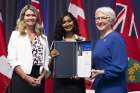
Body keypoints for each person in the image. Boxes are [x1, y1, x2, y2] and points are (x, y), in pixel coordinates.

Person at [7, 5, 50, 93]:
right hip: (21, 78)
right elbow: (11, 59)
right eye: (27, 15)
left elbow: (47, 60)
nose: (30, 17)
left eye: (33, 15)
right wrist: (26, 77)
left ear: (37, 17)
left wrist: (41, 77)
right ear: (23, 17)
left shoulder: (43, 38)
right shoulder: (15, 34)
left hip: (38, 79)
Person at [90, 7, 128, 93]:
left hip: (113, 88)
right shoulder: (99, 41)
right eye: (97, 18)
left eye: (103, 18)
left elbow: (120, 65)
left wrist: (103, 72)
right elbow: (97, 64)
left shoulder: (115, 38)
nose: (99, 21)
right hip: (100, 87)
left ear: (111, 20)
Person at [50, 12, 86, 93]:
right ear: (61, 25)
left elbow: (85, 64)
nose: (67, 24)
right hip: (60, 85)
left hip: (77, 84)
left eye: (69, 21)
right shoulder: (56, 43)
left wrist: (81, 73)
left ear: (73, 22)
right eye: (64, 22)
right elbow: (50, 68)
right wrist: (52, 57)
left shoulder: (82, 41)